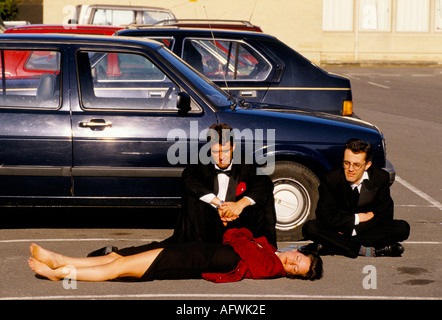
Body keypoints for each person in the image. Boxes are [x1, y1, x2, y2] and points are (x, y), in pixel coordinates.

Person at [28, 228, 323, 282]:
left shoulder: (270, 266)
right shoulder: (269, 251)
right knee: (119, 259)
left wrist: (246, 241)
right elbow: (237, 235)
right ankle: (62, 259)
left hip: (187, 262)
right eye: (298, 258)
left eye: (296, 269)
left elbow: (239, 237)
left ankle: (61, 273)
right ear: (297, 250)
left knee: (118, 269)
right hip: (188, 251)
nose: (292, 263)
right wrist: (245, 241)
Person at [168, 123, 278, 247]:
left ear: (233, 147)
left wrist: (239, 205)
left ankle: (267, 248)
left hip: (238, 221)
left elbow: (265, 183)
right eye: (216, 151)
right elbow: (189, 178)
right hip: (210, 224)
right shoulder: (201, 162)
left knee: (265, 195)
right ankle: (193, 249)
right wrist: (219, 205)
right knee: (191, 194)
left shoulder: (245, 162)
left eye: (225, 151)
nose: (221, 157)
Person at [302, 138, 410, 258]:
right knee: (310, 228)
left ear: (367, 165)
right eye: (347, 163)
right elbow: (324, 216)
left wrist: (355, 230)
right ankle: (362, 249)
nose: (351, 169)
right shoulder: (331, 179)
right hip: (339, 228)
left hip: (364, 230)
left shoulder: (380, 178)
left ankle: (334, 246)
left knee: (402, 228)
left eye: (357, 165)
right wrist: (357, 218)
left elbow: (385, 215)